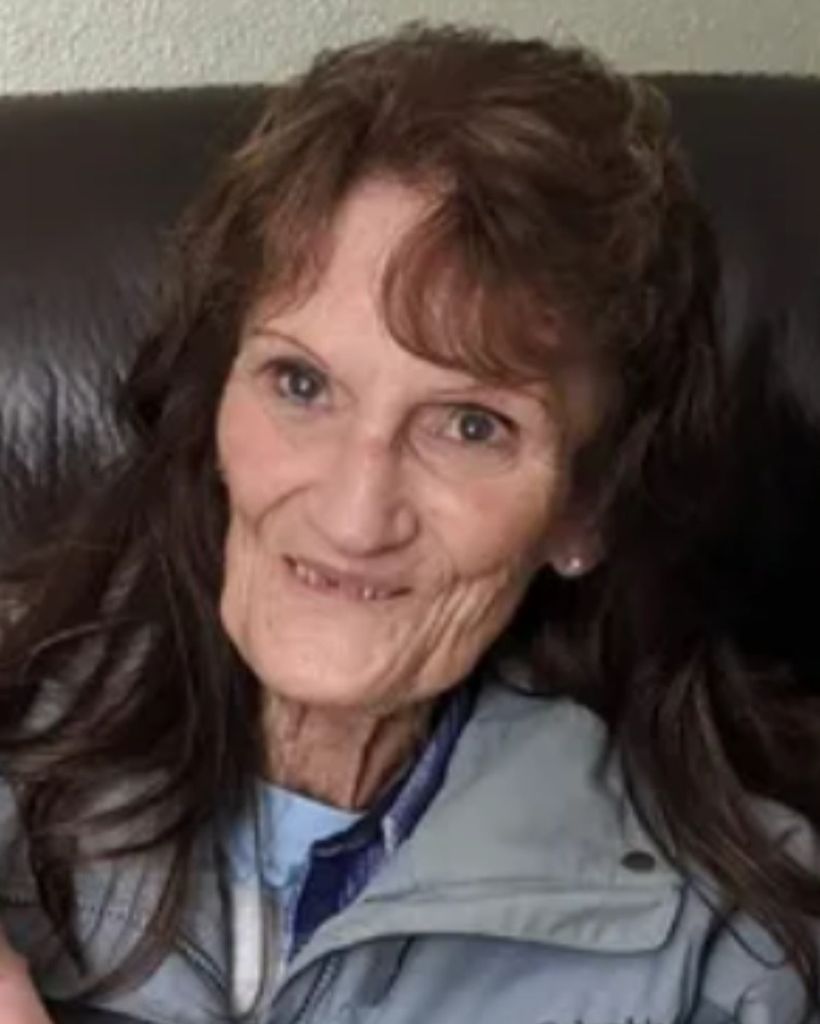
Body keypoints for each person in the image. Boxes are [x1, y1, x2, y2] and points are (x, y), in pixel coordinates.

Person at [0, 23, 817, 1024]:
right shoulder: (18, 727)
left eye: (472, 426)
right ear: (214, 405)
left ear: (586, 506)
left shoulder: (729, 950)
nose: (355, 516)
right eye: (301, 384)